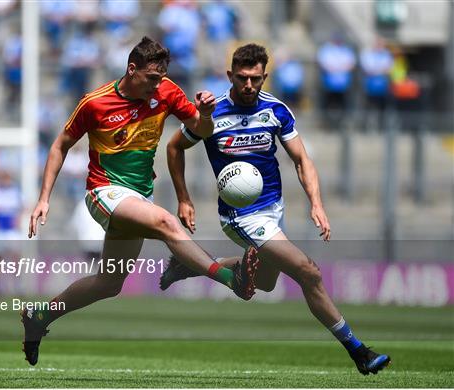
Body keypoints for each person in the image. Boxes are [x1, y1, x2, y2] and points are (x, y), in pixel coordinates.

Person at [22, 36, 259, 366]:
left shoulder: (166, 92)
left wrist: (206, 113)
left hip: (138, 195)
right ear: (131, 69)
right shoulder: (95, 102)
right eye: (151, 78)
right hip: (103, 192)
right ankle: (229, 278)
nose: (157, 84)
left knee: (109, 283)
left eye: (161, 78)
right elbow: (60, 144)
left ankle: (39, 317)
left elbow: (201, 131)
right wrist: (43, 199)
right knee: (165, 223)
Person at [161, 43, 391, 376]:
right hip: (240, 215)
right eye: (242, 78)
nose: (249, 85)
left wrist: (317, 203)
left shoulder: (276, 110)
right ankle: (359, 351)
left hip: (273, 210)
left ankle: (188, 265)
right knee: (308, 272)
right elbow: (173, 147)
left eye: (255, 78)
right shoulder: (212, 113)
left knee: (264, 284)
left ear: (265, 76)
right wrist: (183, 197)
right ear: (230, 75)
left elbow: (302, 159)